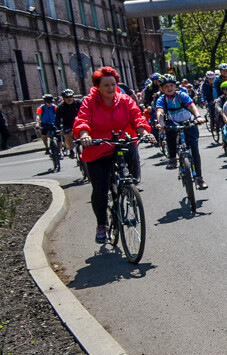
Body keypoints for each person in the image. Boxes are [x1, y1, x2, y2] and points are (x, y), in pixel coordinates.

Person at [74, 67, 153, 244]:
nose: (110, 88)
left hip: (121, 142)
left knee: (131, 150)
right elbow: (82, 120)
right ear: (98, 87)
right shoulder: (89, 102)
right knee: (100, 189)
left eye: (113, 84)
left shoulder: (124, 100)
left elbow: (137, 118)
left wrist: (144, 132)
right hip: (98, 147)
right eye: (106, 85)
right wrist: (85, 135)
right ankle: (101, 224)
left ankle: (129, 185)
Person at [154, 75, 208, 190]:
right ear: (162, 89)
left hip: (188, 122)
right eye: (166, 87)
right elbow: (160, 111)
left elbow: (192, 105)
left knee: (194, 149)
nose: (169, 88)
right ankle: (172, 158)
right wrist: (161, 123)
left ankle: (199, 178)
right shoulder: (161, 99)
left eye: (171, 86)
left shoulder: (181, 95)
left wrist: (198, 116)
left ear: (175, 86)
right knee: (170, 132)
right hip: (173, 123)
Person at [55, 89, 82, 157]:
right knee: (67, 134)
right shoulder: (61, 107)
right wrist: (57, 129)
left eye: (71, 96)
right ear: (63, 98)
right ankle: (71, 150)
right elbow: (57, 119)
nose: (69, 99)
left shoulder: (79, 103)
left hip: (79, 122)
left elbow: (86, 113)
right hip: (67, 124)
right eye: (67, 97)